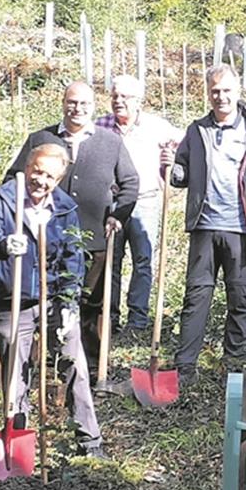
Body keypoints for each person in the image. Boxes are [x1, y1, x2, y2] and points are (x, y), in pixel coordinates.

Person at [0, 144, 106, 458]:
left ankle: (90, 442)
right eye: (37, 171)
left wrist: (69, 303)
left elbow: (73, 257)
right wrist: (4, 243)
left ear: (59, 179)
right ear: (27, 166)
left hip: (54, 300)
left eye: (50, 176)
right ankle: (17, 443)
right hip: (14, 300)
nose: (41, 180)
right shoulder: (5, 199)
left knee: (74, 363)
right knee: (15, 373)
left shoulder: (64, 208)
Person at [4, 81, 139, 367]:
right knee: (45, 298)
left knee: (91, 302)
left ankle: (88, 364)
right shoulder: (40, 139)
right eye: (72, 102)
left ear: (93, 107)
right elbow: (13, 180)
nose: (77, 109)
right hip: (46, 238)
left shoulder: (110, 141)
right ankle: (43, 362)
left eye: (84, 104)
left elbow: (130, 182)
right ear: (63, 102)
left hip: (95, 239)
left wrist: (117, 217)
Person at [171, 65, 246, 383]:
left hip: (241, 228)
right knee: (196, 297)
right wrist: (175, 171)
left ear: (238, 91)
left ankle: (234, 363)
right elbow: (181, 168)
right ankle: (185, 368)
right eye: (215, 91)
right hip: (205, 226)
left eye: (226, 90)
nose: (221, 96)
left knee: (241, 297)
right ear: (208, 93)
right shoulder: (196, 130)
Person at [96, 74, 182, 334]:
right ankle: (109, 318)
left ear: (138, 101)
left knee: (143, 261)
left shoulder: (157, 127)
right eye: (114, 96)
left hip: (145, 201)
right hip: (111, 204)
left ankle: (137, 320)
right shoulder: (101, 125)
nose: (118, 101)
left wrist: (172, 156)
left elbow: (186, 143)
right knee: (111, 260)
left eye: (124, 97)